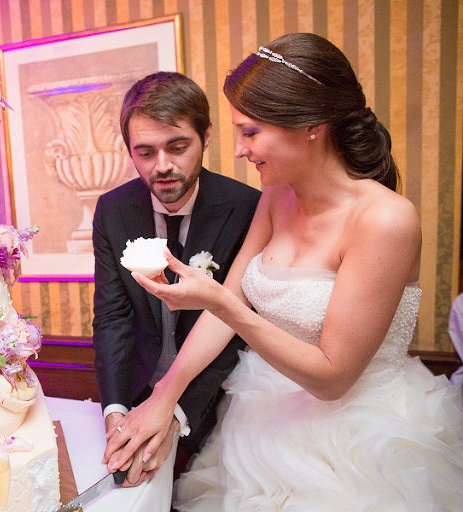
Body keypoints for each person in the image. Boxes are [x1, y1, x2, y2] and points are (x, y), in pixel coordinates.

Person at [104, 33, 463, 511]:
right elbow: (226, 305)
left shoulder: (385, 220)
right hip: (265, 415)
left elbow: (333, 377)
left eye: (251, 132)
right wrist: (162, 400)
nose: (237, 150)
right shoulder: (278, 196)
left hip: (358, 439)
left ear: (311, 124)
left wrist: (221, 302)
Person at [92, 71, 261, 488]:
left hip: (221, 405)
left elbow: (236, 328)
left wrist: (176, 414)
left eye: (178, 147)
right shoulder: (112, 210)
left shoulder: (247, 208)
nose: (162, 166)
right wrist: (115, 410)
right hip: (137, 395)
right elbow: (112, 318)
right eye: (145, 152)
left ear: (205, 136)